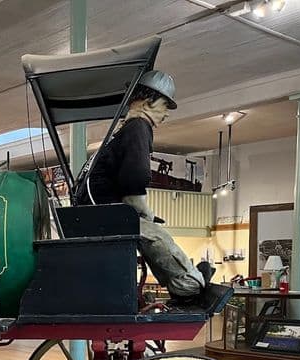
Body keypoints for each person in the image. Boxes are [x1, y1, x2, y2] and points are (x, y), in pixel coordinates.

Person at [79, 70, 212, 302]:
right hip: (105, 216)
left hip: (94, 213)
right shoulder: (139, 127)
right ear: (148, 100)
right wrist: (146, 212)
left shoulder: (119, 132)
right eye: (164, 106)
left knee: (147, 234)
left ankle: (180, 283)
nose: (165, 115)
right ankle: (189, 285)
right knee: (158, 237)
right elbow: (135, 177)